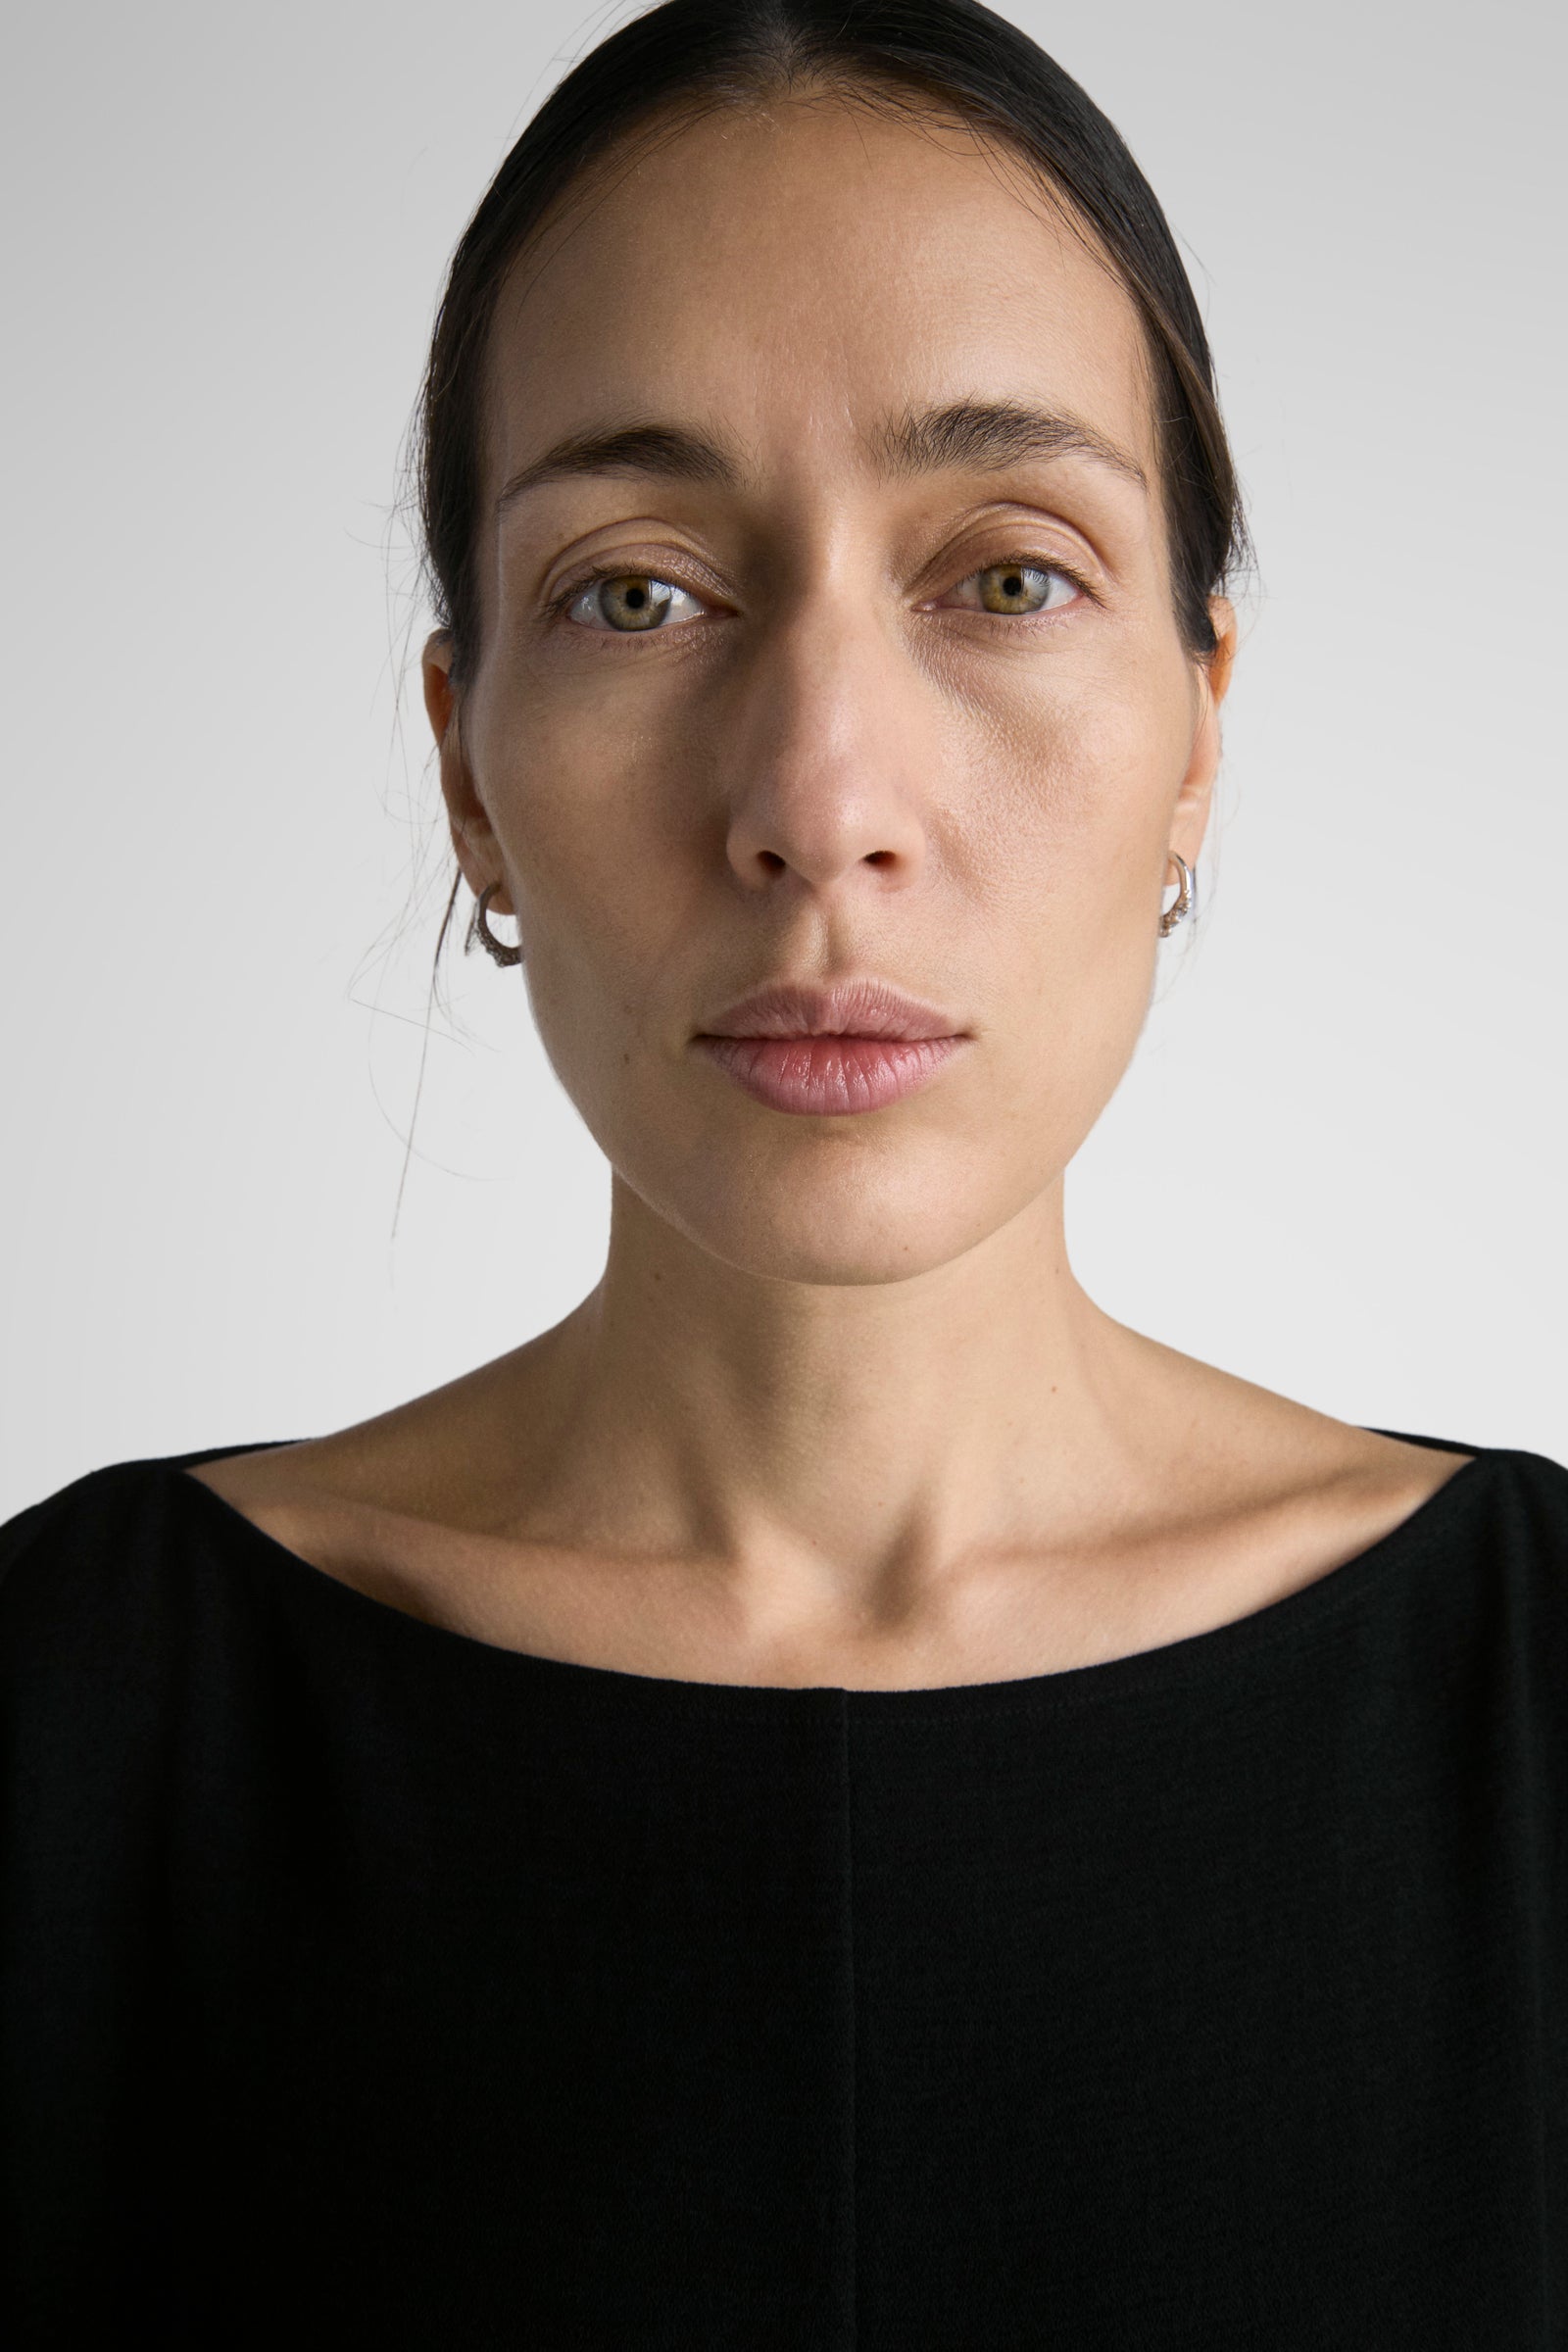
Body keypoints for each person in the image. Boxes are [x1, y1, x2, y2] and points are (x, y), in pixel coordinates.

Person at [3, 0, 1563, 2341]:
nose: (819, 805)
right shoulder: (65, 1730)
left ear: (1196, 729)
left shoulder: (1534, 1725)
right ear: (465, 766)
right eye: (635, 592)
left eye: (1003, 577)